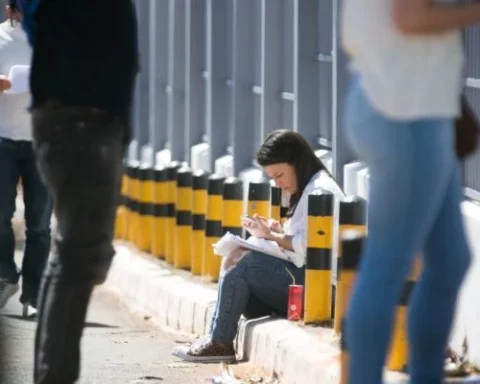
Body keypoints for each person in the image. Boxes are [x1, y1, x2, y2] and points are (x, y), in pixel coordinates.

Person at [341, 0, 480, 382]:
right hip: (405, 114)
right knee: (387, 265)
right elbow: (411, 18)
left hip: (413, 109)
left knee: (450, 258)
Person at [9, 0, 138, 383]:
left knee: (75, 255)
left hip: (85, 122)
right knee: (78, 258)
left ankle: (53, 374)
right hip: (82, 124)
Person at [178, 130, 344, 362]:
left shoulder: (320, 190)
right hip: (306, 279)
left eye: (280, 175)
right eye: (273, 178)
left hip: (324, 291)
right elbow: (303, 238)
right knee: (237, 254)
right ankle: (215, 337)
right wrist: (274, 232)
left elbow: (310, 248)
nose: (278, 183)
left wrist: (272, 237)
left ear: (297, 163)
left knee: (245, 264)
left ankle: (220, 342)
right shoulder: (306, 188)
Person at [0, 5, 52, 318]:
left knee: (40, 225)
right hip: (3, 140)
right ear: (10, 8)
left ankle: (32, 296)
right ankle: (6, 274)